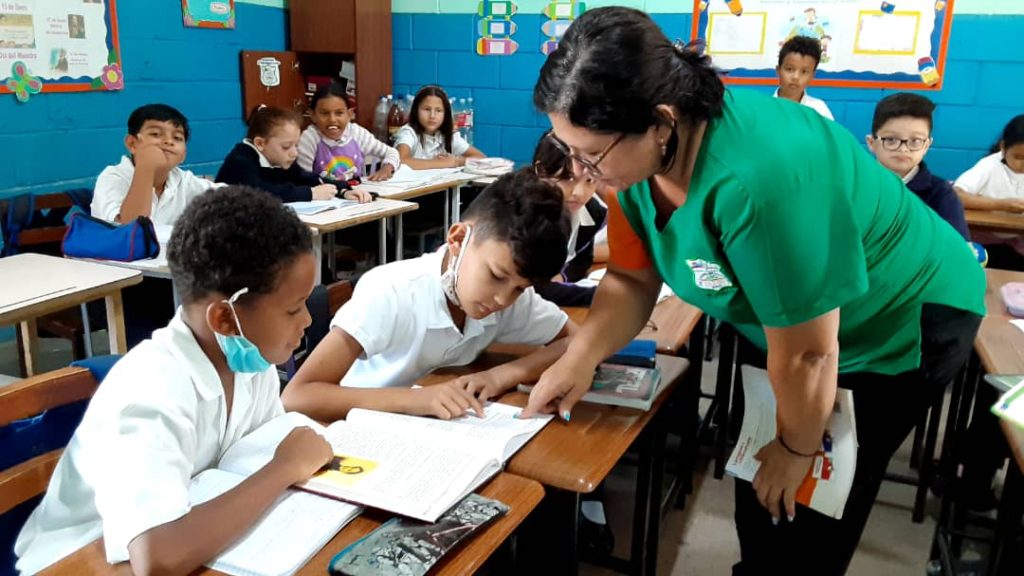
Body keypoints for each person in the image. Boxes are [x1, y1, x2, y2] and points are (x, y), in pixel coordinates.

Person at [525, 8, 984, 575]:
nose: (581, 169)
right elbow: (630, 278)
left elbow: (812, 351)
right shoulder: (633, 167)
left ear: (662, 121)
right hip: (787, 327)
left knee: (808, 509)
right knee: (756, 479)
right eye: (567, 147)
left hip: (897, 319)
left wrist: (797, 448)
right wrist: (581, 357)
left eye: (590, 154)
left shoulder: (766, 179)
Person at [15, 186, 332, 575]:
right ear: (225, 319)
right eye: (293, 309)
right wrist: (284, 469)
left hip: (197, 531)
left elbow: (251, 455)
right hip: (82, 559)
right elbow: (158, 558)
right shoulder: (151, 393)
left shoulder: (250, 360)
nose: (308, 321)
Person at [281, 170, 576, 423]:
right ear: (458, 239)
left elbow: (578, 341)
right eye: (496, 276)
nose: (502, 299)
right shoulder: (391, 292)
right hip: (357, 429)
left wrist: (502, 376)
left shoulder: (509, 299)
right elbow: (297, 396)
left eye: (519, 288)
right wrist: (417, 401)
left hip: (433, 430)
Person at [92, 103, 222, 226]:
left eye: (177, 138)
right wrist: (146, 166)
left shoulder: (184, 180)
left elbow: (229, 197)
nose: (168, 141)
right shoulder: (112, 177)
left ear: (183, 154)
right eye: (155, 134)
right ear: (132, 144)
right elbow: (129, 230)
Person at [216, 106, 372, 204]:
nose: (294, 153)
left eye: (296, 145)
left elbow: (305, 178)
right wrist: (310, 194)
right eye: (286, 146)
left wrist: (343, 190)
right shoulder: (240, 161)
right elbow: (260, 192)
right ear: (260, 143)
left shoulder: (280, 158)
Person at [866, 93, 969, 239]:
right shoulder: (854, 184)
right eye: (891, 139)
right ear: (871, 143)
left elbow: (956, 247)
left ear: (927, 145)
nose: (903, 149)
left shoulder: (940, 193)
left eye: (915, 141)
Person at [531, 132, 608, 307]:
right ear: (541, 170)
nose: (579, 193)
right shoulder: (522, 214)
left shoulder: (592, 212)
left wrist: (563, 278)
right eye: (568, 179)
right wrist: (602, 296)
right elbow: (531, 287)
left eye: (590, 181)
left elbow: (582, 262)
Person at [954, 114, 1024, 269]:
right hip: (986, 240)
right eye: (1019, 157)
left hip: (1019, 243)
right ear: (1003, 147)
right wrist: (1000, 205)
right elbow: (956, 195)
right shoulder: (990, 166)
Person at [296, 83, 399, 182]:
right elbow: (304, 178)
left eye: (339, 113)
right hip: (323, 196)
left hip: (356, 195)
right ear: (313, 115)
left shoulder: (357, 134)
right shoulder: (310, 138)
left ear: (350, 114)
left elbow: (392, 152)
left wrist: (387, 168)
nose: (332, 119)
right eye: (324, 113)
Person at [394, 85, 486, 169]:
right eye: (427, 109)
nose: (432, 116)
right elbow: (401, 161)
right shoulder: (408, 132)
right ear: (415, 111)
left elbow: (482, 158)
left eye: (438, 110)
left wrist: (457, 161)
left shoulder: (447, 135)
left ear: (445, 114)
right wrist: (444, 163)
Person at [774, 35, 833, 120]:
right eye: (789, 69)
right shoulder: (764, 107)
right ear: (778, 70)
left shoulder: (819, 110)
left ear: (812, 76)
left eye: (804, 72)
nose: (795, 77)